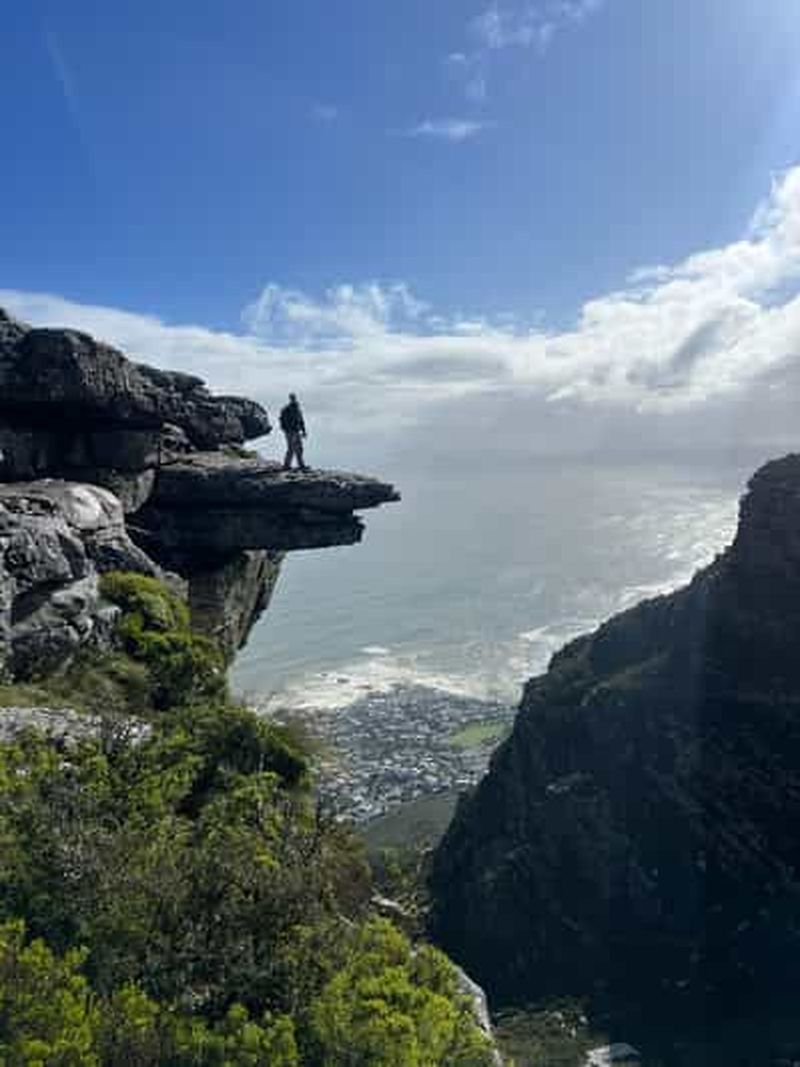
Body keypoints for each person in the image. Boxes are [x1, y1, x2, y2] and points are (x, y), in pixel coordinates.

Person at [279, 392, 308, 471]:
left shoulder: (297, 409)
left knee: (299, 448)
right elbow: (282, 421)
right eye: (292, 398)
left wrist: (304, 431)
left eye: (294, 398)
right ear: (290, 399)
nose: (293, 399)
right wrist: (286, 430)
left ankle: (301, 465)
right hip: (290, 432)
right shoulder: (286, 409)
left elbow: (301, 420)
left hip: (296, 431)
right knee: (291, 448)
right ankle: (286, 465)